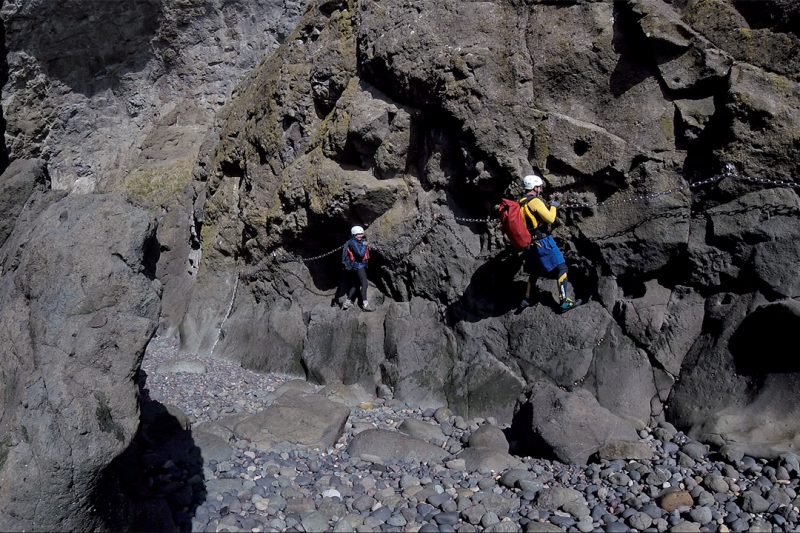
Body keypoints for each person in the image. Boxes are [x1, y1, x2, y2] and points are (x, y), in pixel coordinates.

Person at [517, 173, 580, 313]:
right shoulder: (534, 201)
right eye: (539, 187)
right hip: (543, 241)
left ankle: (527, 299)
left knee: (535, 271)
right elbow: (550, 218)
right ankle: (564, 302)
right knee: (562, 268)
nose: (540, 189)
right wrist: (554, 206)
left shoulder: (520, 202)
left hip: (531, 244)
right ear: (534, 187)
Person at [338, 225, 373, 311]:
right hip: (358, 266)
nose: (361, 236)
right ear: (354, 235)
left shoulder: (357, 241)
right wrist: (364, 245)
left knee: (355, 284)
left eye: (361, 234)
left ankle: (347, 302)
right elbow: (360, 254)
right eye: (358, 234)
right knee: (365, 284)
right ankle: (365, 304)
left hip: (358, 266)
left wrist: (364, 244)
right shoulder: (352, 242)